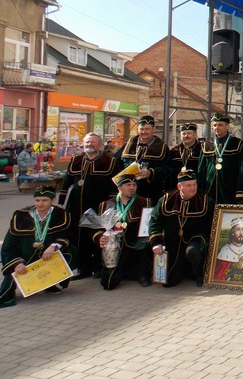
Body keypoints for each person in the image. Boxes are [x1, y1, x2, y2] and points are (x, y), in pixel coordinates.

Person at [0, 188, 75, 308]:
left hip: (48, 254)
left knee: (69, 252)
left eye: (44, 200)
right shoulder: (21, 217)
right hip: (25, 256)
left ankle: (50, 283)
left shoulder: (60, 215)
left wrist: (53, 246)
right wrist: (17, 263)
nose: (40, 204)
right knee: (6, 290)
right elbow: (8, 246)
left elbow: (67, 235)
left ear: (53, 200)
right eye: (37, 200)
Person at [62, 132, 121, 279]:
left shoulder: (111, 161)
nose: (89, 144)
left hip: (99, 207)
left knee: (97, 237)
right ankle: (83, 268)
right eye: (87, 142)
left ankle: (98, 267)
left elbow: (116, 185)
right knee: (79, 238)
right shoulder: (76, 160)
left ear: (100, 145)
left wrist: (111, 205)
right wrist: (62, 201)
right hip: (76, 207)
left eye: (93, 142)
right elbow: (67, 181)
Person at [148, 169, 214, 287]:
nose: (193, 188)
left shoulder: (206, 201)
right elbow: (155, 221)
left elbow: (214, 224)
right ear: (179, 186)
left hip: (195, 240)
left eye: (194, 184)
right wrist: (156, 242)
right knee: (168, 282)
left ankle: (199, 275)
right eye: (189, 185)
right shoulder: (166, 200)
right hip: (173, 242)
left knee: (192, 251)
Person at [94, 174, 152, 290]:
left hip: (136, 243)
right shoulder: (106, 205)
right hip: (116, 245)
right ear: (119, 187)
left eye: (134, 185)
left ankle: (142, 274)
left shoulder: (144, 202)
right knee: (108, 284)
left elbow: (148, 226)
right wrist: (100, 237)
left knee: (147, 242)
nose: (132, 188)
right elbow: (97, 229)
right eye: (128, 185)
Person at [116, 115, 170, 203]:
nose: (144, 132)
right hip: (128, 193)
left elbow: (168, 169)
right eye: (141, 129)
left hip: (150, 193)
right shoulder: (129, 144)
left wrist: (151, 173)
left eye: (147, 129)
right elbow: (117, 163)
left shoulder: (162, 147)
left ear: (154, 129)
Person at [197, 113, 243, 205]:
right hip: (210, 188)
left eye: (220, 125)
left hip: (229, 187)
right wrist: (200, 190)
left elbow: (241, 170)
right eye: (215, 125)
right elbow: (201, 170)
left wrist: (240, 191)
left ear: (227, 126)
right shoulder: (206, 146)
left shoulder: (238, 144)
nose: (217, 128)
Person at [213, 216, 243, 283]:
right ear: (233, 233)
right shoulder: (225, 250)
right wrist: (238, 265)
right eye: (238, 229)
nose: (241, 233)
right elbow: (219, 277)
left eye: (242, 229)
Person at [168, 123, 202, 189]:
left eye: (189, 133)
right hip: (177, 187)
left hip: (196, 187)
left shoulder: (202, 150)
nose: (186, 136)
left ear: (195, 134)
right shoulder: (174, 151)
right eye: (184, 134)